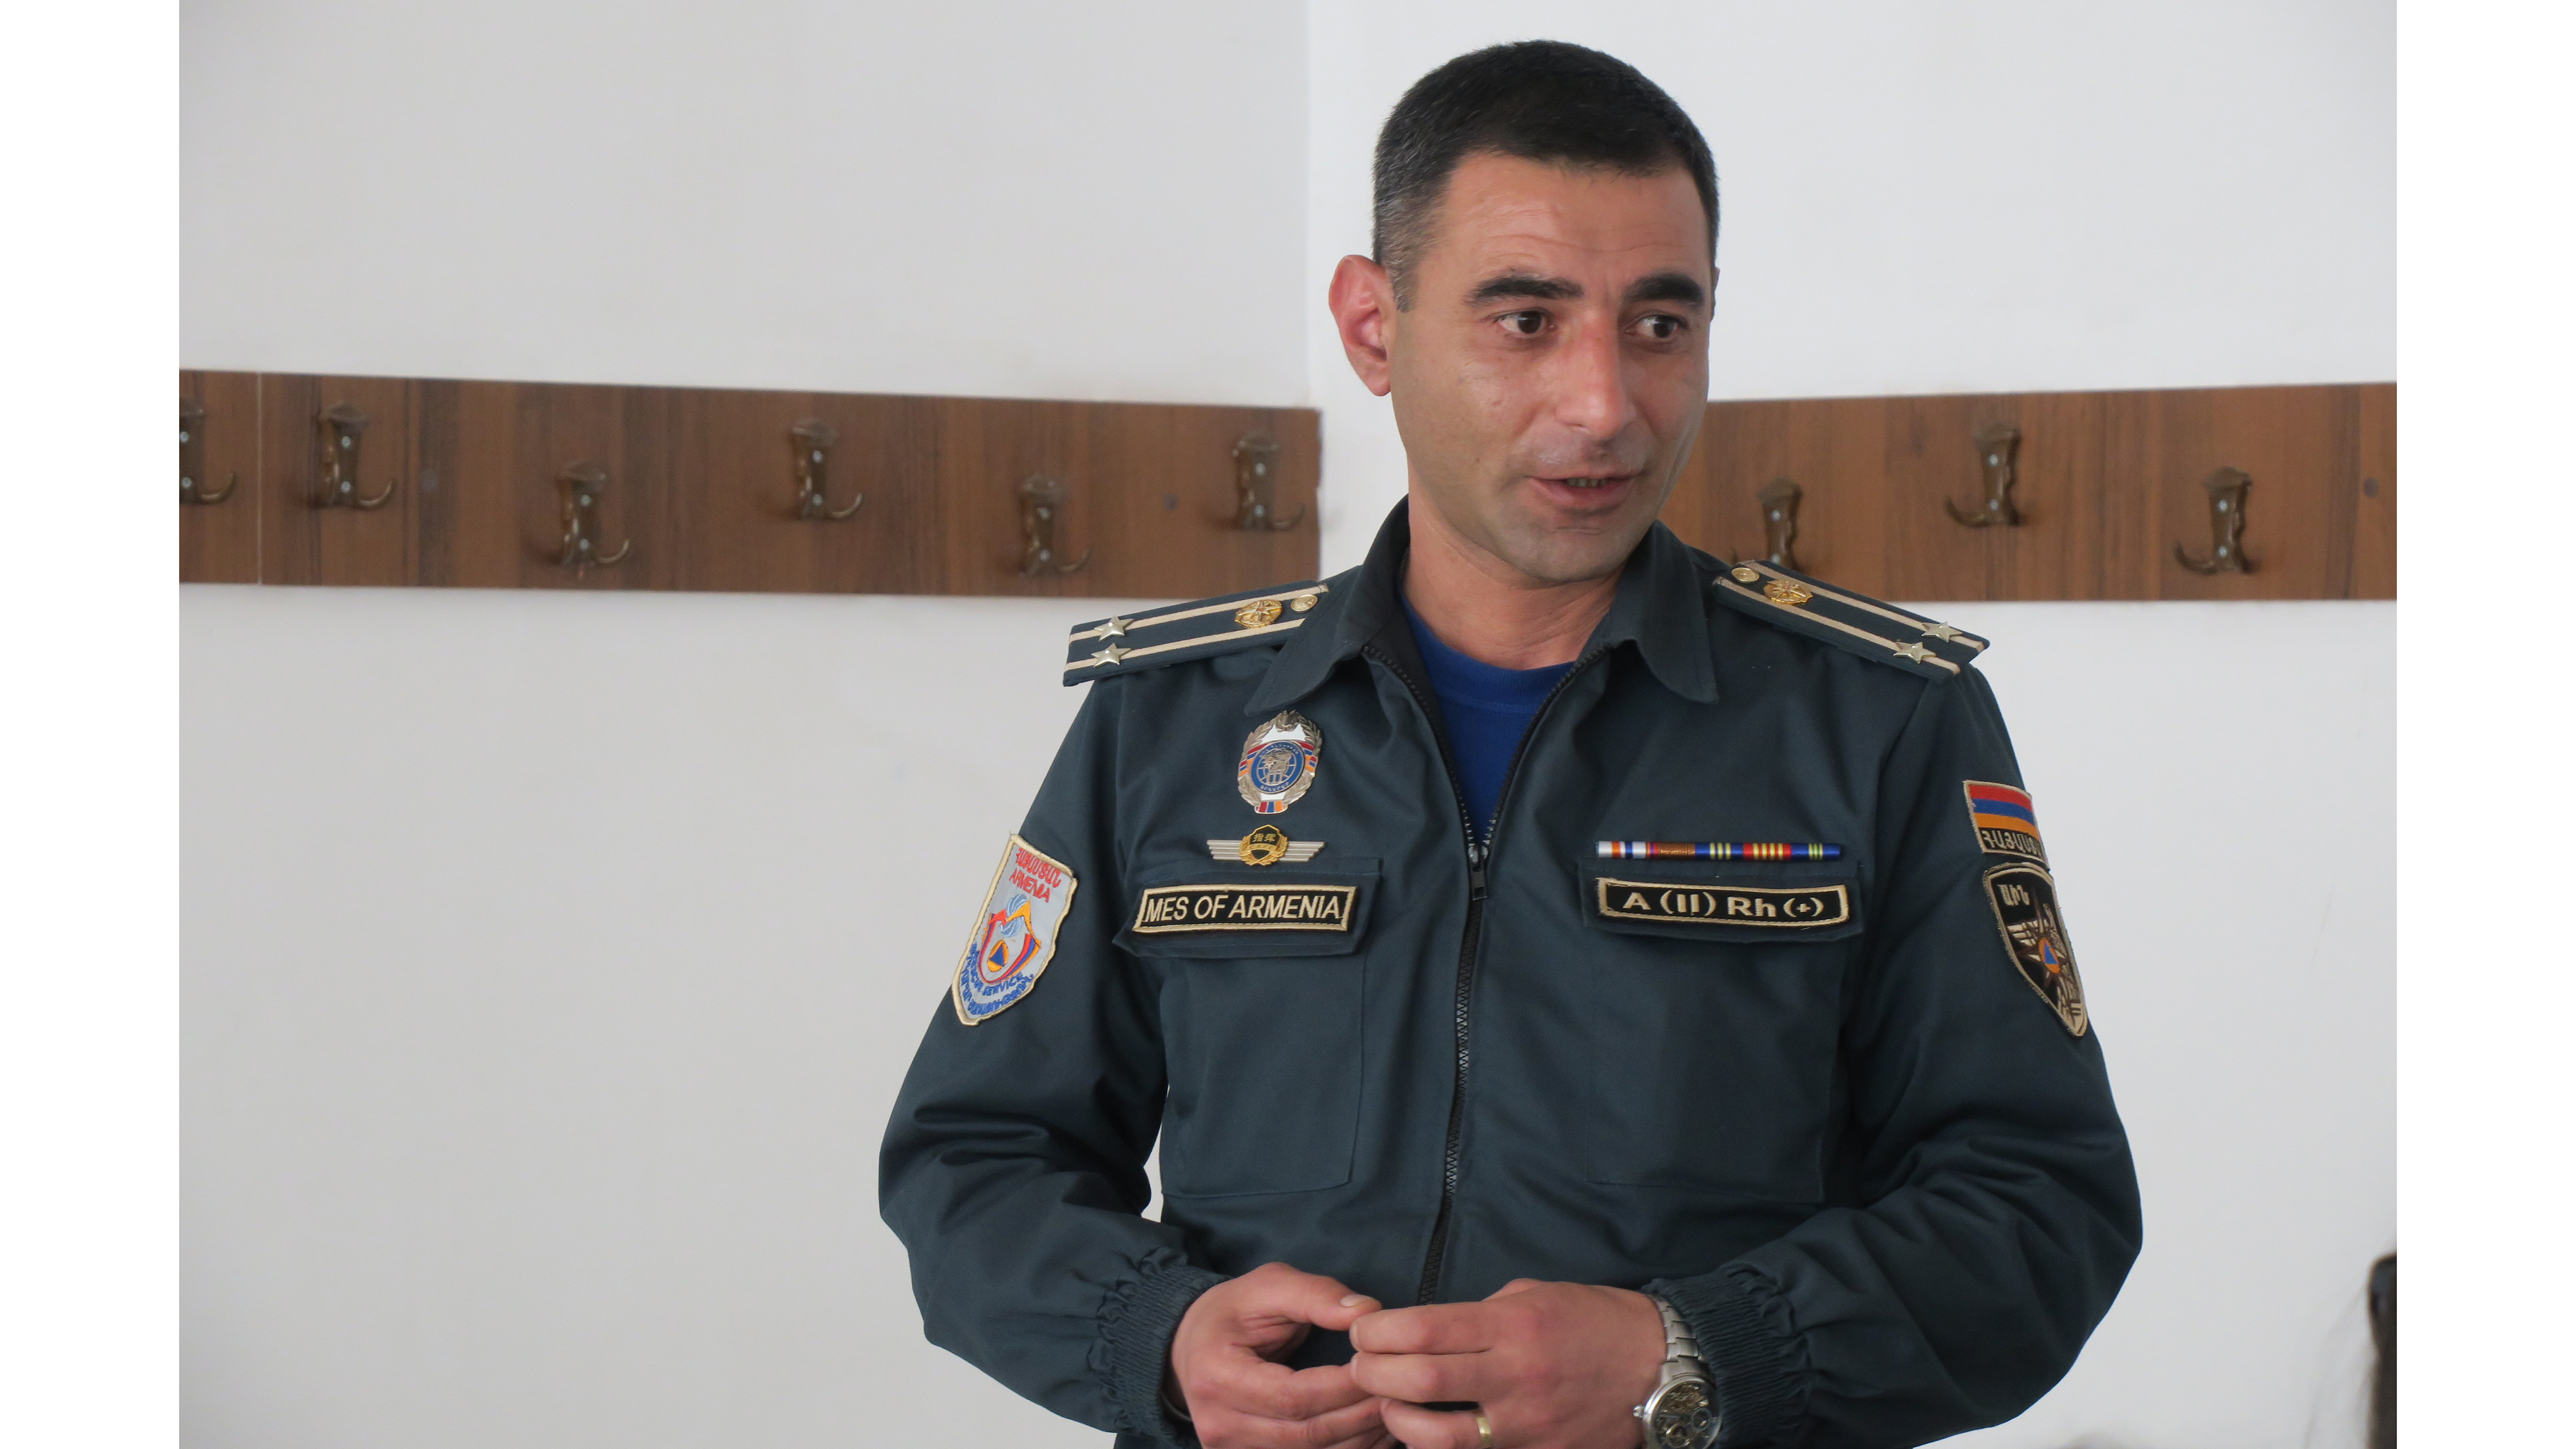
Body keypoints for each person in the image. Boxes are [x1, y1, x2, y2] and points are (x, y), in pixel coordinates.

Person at [882, 39, 2140, 1449]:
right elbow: (975, 1157)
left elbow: (2040, 1206)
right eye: (1526, 319)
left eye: (1657, 324)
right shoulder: (1170, 717)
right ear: (1374, 329)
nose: (1604, 404)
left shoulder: (1877, 717)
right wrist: (1153, 1337)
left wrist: (1691, 1360)